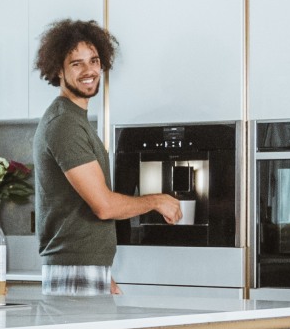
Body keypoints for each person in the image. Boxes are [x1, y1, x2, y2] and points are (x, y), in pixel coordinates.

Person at [28, 19, 181, 296]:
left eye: (94, 60)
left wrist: (102, 273)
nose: (89, 70)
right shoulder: (64, 124)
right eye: (77, 63)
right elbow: (103, 206)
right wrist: (156, 201)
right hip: (74, 271)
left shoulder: (77, 120)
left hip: (85, 268)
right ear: (58, 70)